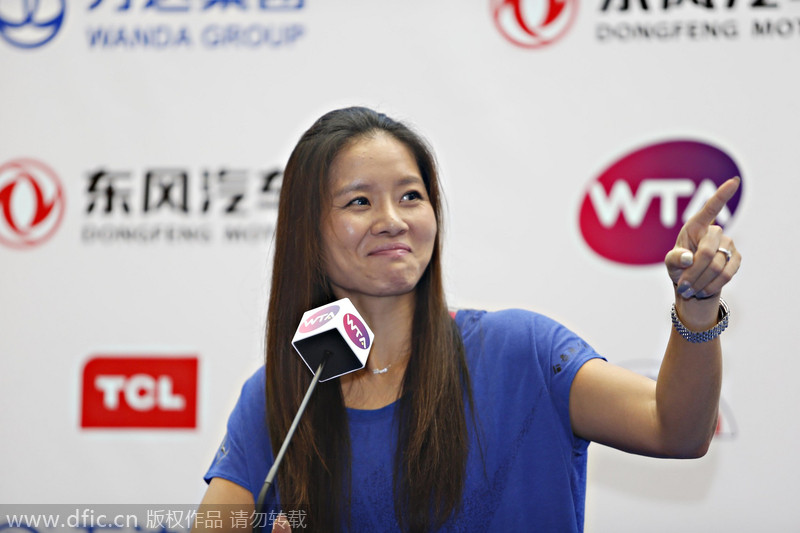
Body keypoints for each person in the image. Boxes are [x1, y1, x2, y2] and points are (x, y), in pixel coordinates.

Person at [196, 107, 741, 532]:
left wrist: (695, 306)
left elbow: (677, 430)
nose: (391, 221)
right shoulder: (279, 395)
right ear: (307, 231)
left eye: (411, 196)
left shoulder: (519, 350)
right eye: (358, 202)